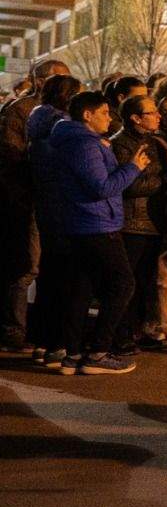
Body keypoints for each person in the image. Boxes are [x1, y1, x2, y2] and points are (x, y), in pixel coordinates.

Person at [51, 91, 149, 375]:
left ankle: (72, 353)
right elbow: (102, 187)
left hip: (86, 222)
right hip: (95, 224)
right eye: (105, 113)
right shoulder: (84, 145)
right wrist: (133, 168)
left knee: (82, 288)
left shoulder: (81, 142)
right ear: (87, 115)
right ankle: (98, 351)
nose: (110, 118)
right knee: (123, 284)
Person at [0, 59, 68, 354]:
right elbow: (12, 154)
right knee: (27, 264)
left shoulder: (67, 114)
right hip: (27, 197)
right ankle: (13, 329)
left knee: (48, 267)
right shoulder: (21, 111)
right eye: (56, 78)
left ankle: (41, 330)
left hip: (55, 201)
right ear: (38, 80)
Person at [111, 95, 167, 347]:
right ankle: (121, 333)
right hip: (133, 222)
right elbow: (127, 185)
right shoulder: (120, 144)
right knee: (129, 281)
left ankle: (139, 329)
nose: (159, 116)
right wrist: (164, 181)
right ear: (135, 118)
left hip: (153, 219)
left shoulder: (153, 142)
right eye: (152, 112)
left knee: (144, 281)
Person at [26, 73, 82, 368]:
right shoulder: (63, 130)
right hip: (64, 210)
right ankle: (57, 343)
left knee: (49, 277)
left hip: (48, 208)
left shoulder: (38, 123)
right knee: (65, 279)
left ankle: (41, 340)